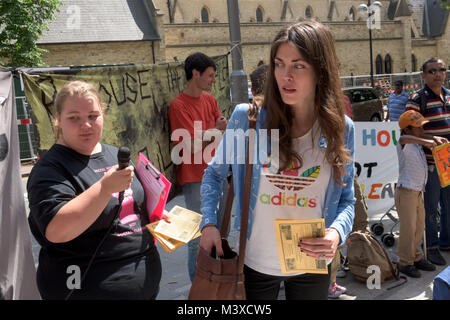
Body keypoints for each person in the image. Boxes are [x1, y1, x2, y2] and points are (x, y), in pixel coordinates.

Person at [199, 20, 355, 300]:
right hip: (253, 264)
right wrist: (209, 223)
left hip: (311, 265)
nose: (286, 75)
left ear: (320, 70)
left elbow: (347, 201)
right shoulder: (247, 119)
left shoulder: (340, 129)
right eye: (279, 64)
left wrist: (335, 234)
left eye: (298, 65)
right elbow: (214, 174)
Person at [27, 81, 162, 299]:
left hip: (144, 282)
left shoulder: (115, 154)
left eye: (93, 115)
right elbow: (57, 230)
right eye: (74, 118)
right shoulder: (50, 169)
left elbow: (129, 204)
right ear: (59, 120)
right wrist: (104, 188)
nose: (86, 125)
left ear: (103, 116)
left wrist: (153, 213)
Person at [168, 52, 228, 282]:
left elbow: (219, 134)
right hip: (194, 178)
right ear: (195, 74)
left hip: (217, 172)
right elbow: (188, 146)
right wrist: (214, 131)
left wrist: (210, 134)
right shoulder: (178, 106)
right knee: (198, 234)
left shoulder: (210, 100)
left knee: (220, 231)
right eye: (210, 75)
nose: (214, 80)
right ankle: (199, 286)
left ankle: (217, 279)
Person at [405, 57, 450, 266]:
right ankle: (430, 247)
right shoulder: (418, 98)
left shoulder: (449, 96)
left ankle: (445, 242)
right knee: (431, 209)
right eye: (432, 71)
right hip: (430, 165)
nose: (438, 74)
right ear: (423, 75)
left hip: (448, 164)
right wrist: (431, 141)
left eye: (441, 69)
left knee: (448, 205)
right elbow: (406, 132)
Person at [395, 110, 438, 278]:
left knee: (419, 226)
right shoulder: (404, 142)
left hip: (418, 191)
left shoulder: (417, 143)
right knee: (408, 228)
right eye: (418, 127)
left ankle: (416, 256)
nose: (422, 130)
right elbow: (404, 139)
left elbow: (422, 138)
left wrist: (433, 139)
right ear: (407, 129)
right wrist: (426, 141)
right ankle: (405, 262)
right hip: (406, 191)